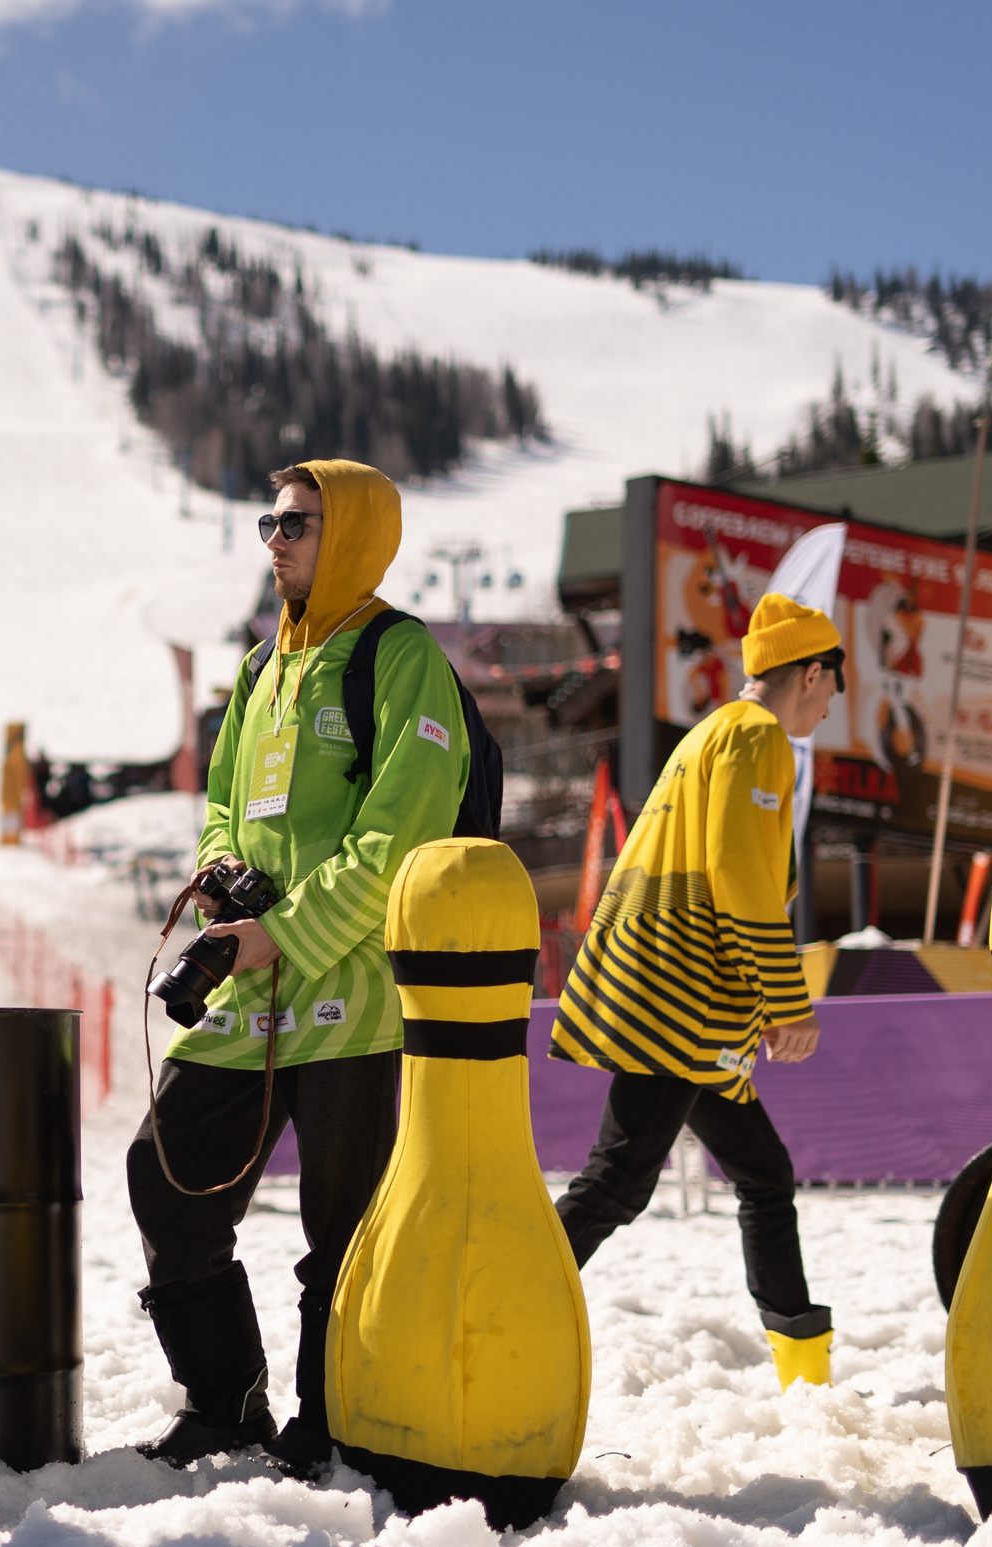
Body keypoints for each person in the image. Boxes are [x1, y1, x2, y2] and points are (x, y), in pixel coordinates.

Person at [129, 459, 466, 1476]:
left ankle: (336, 1420)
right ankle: (225, 1401)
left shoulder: (400, 659)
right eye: (268, 520)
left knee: (344, 1229)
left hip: (353, 995)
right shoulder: (262, 670)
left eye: (299, 523)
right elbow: (224, 803)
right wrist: (221, 876)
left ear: (356, 534)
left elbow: (399, 838)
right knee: (165, 1176)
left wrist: (290, 931)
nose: (275, 538)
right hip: (251, 979)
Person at [547, 592, 836, 1389]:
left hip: (672, 989)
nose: (834, 701)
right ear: (812, 673)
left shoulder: (712, 731)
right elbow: (742, 879)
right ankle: (496, 1301)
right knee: (619, 1179)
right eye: (833, 683)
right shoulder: (759, 738)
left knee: (762, 1171)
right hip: (684, 1001)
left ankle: (803, 1366)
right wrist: (785, 1002)